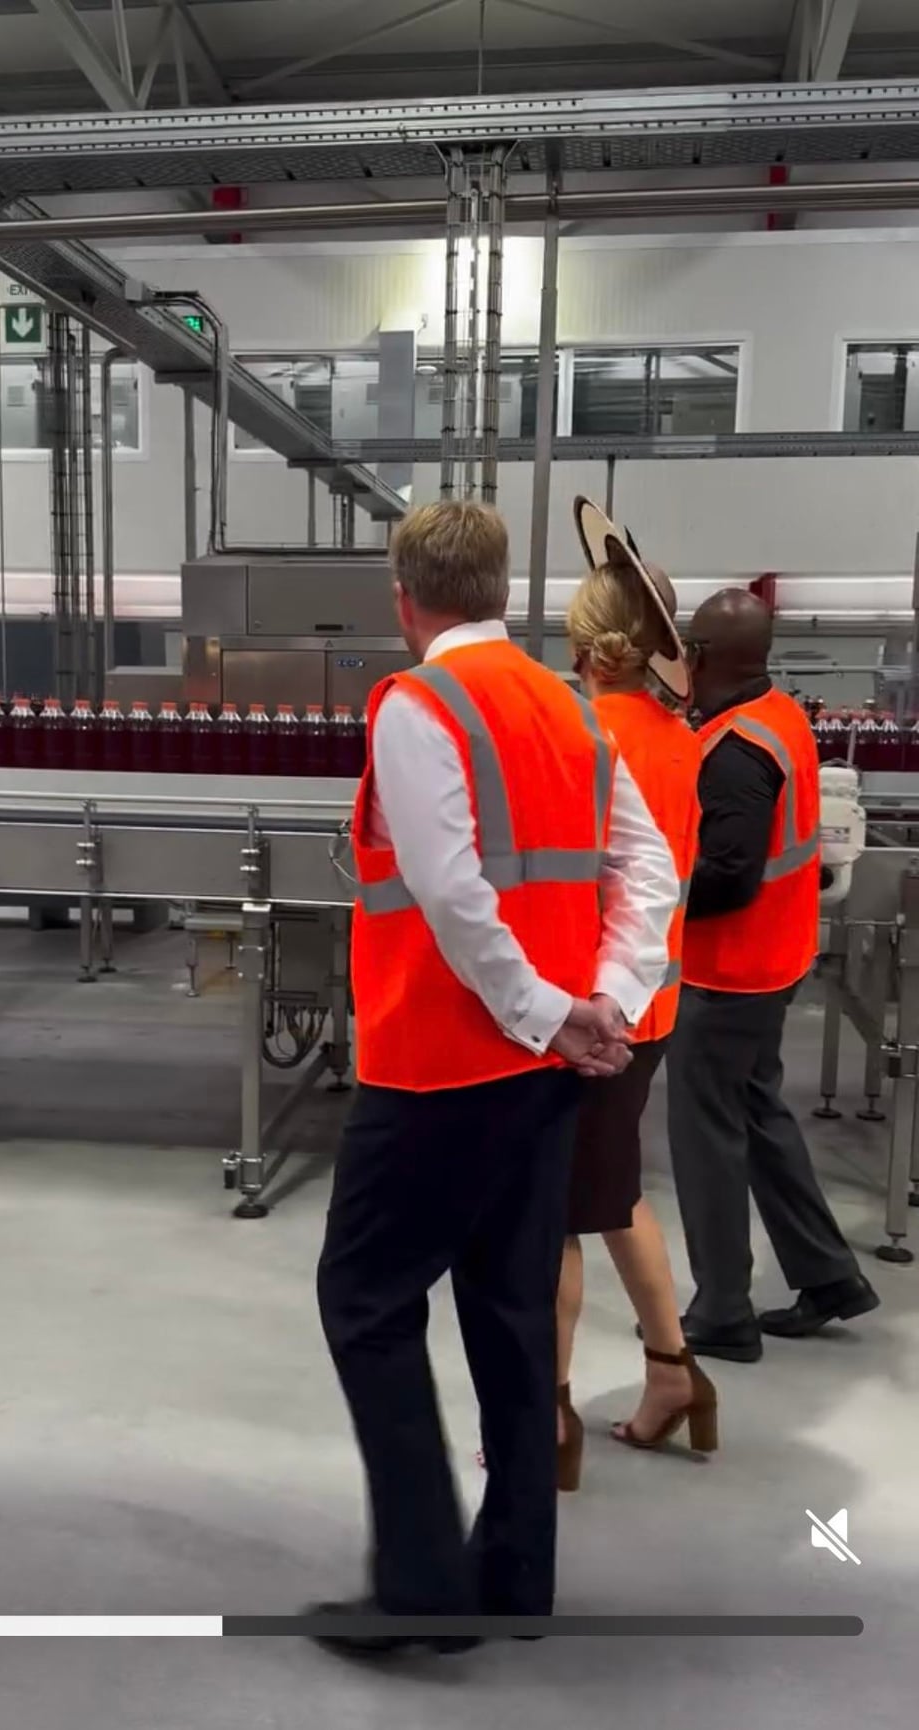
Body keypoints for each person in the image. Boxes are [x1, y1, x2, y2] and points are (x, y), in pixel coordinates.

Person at [313, 499, 678, 1656]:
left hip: (437, 1065)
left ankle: (422, 1582)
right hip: (543, 1076)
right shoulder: (570, 709)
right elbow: (649, 867)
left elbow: (449, 888)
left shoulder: (418, 704)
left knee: (365, 1300)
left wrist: (549, 1013)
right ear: (505, 591)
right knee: (512, 1313)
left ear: (403, 598)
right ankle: (514, 1575)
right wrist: (606, 1001)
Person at [668, 588, 880, 1364]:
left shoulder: (734, 752)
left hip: (727, 975)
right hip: (773, 962)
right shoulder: (779, 715)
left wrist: (649, 898)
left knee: (707, 1141)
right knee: (758, 1119)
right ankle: (828, 1276)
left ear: (704, 657)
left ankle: (722, 1310)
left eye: (687, 647)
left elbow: (728, 876)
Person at [555, 499, 716, 1492]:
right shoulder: (680, 735)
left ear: (582, 647)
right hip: (653, 1003)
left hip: (586, 1015)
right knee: (614, 1193)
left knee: (555, 1218)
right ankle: (673, 1372)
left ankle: (546, 1418)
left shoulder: (578, 737)